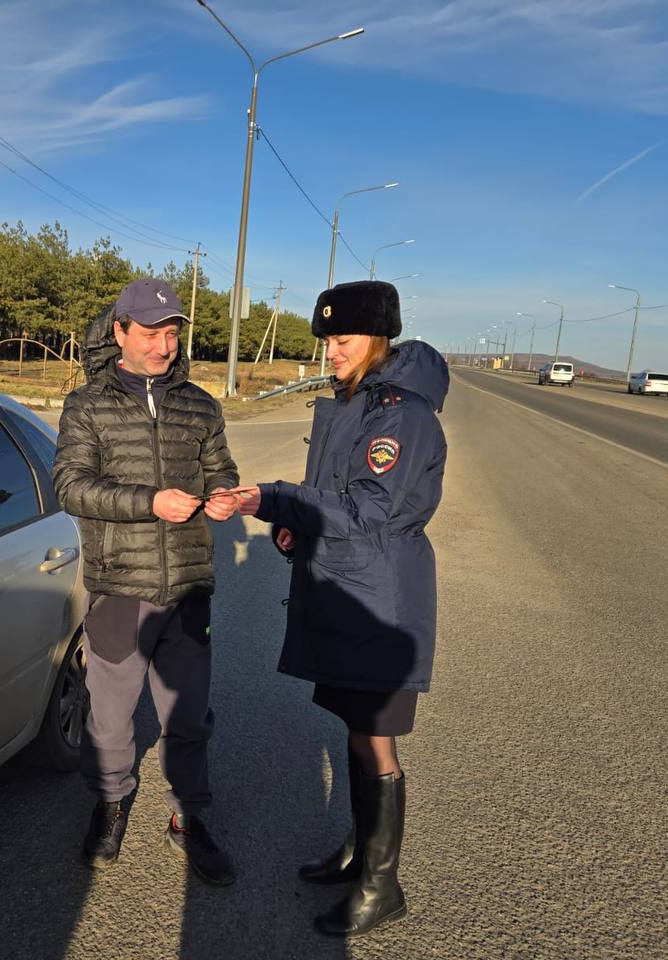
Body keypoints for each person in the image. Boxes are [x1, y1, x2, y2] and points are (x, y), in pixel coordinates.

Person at [234, 280, 449, 938]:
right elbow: (332, 494)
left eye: (344, 339)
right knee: (357, 731)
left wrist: (271, 497)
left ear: (377, 339)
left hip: (378, 597)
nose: (331, 350)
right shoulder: (358, 399)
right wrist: (292, 523)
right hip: (352, 584)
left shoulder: (400, 414)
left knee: (376, 741)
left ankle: (383, 885)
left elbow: (369, 510)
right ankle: (360, 852)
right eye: (326, 339)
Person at [53, 277, 241, 886]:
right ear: (120, 332)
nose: (163, 345)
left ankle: (188, 817)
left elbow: (223, 471)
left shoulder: (200, 405)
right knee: (109, 718)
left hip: (187, 587)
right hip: (118, 587)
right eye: (151, 333)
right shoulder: (87, 405)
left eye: (171, 333)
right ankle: (109, 803)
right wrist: (147, 502)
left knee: (187, 719)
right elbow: (71, 486)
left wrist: (223, 499)